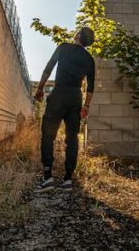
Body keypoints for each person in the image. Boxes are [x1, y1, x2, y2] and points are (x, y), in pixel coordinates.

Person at [33, 27, 96, 191]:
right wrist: (86, 106)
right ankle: (68, 179)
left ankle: (47, 177)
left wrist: (40, 88)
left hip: (59, 93)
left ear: (79, 36)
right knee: (72, 138)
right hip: (75, 97)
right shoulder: (89, 59)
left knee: (48, 134)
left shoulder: (63, 47)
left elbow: (48, 68)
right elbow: (90, 87)